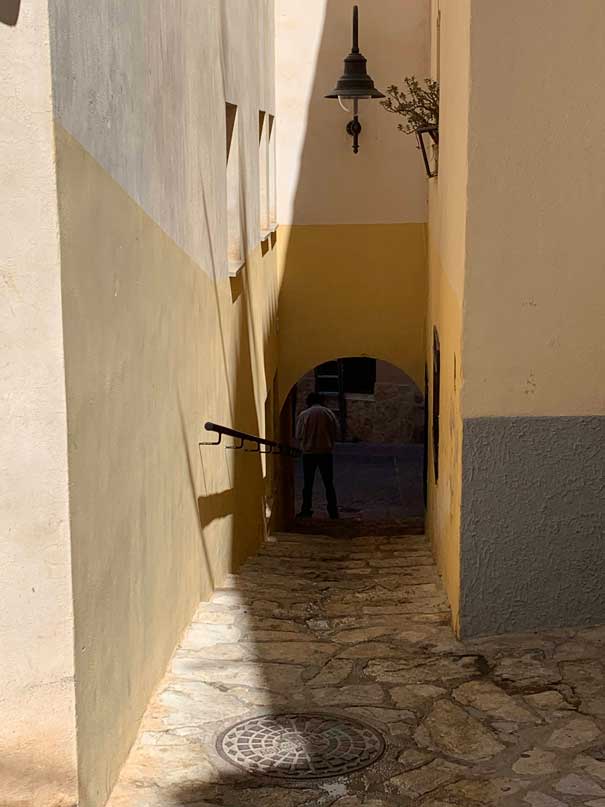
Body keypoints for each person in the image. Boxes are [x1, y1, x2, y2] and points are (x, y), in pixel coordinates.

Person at [296, 392, 339, 519]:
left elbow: (299, 435)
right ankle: (333, 510)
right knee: (328, 483)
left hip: (309, 453)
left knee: (308, 483)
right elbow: (335, 432)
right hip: (325, 452)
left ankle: (306, 509)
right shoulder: (328, 413)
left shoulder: (304, 414)